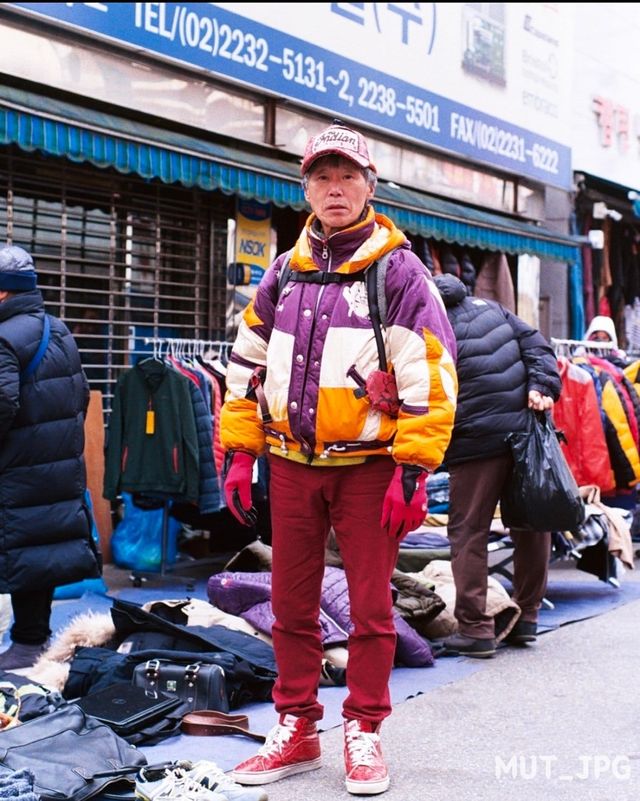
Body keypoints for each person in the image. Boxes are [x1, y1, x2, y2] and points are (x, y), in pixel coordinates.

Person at [219, 122, 458, 795]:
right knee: (291, 605)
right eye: (321, 177)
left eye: (346, 175)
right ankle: (295, 725)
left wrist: (413, 469)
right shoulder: (282, 272)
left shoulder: (401, 271)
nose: (333, 188)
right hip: (291, 463)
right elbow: (245, 365)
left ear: (369, 186)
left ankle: (365, 730)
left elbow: (432, 375)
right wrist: (240, 451)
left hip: (369, 467)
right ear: (305, 188)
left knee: (370, 607)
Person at [434, 273, 562, 658]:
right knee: (531, 521)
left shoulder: (429, 325)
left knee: (468, 530)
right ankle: (527, 616)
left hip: (474, 442)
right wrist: (541, 387)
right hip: (522, 433)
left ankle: (475, 628)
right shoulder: (494, 309)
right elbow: (539, 347)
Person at [0, 245, 101, 670]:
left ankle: (26, 645)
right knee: (33, 550)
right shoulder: (57, 330)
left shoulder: (4, 338)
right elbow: (79, 396)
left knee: (22, 545)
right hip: (52, 464)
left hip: (15, 465)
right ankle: (31, 640)